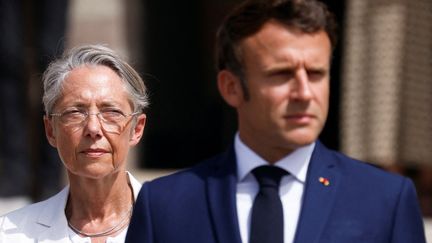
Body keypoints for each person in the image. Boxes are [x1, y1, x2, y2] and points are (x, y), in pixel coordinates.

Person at [125, 0, 426, 242]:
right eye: (281, 74)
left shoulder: (385, 200)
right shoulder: (164, 204)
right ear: (231, 87)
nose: (304, 93)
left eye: (316, 73)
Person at [0, 44, 148, 243]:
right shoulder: (11, 233)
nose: (93, 128)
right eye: (75, 112)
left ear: (136, 129)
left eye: (111, 112)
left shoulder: (176, 223)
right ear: (51, 130)